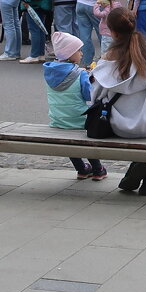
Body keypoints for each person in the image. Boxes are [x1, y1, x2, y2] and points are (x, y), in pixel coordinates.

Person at [91, 7, 146, 196]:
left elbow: (95, 96)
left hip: (116, 125)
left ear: (112, 32)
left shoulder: (107, 61)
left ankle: (140, 170)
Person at [44, 31, 106, 181]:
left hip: (58, 119)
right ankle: (98, 169)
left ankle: (81, 169)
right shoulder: (80, 74)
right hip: (78, 120)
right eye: (78, 50)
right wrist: (89, 79)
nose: (81, 54)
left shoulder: (50, 72)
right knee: (86, 138)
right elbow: (88, 96)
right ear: (70, 54)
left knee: (69, 143)